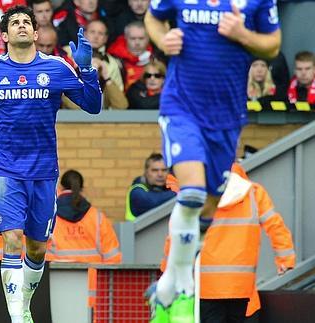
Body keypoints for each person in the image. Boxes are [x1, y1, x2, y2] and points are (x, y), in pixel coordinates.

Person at [0, 6, 101, 322]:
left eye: (26, 23)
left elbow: (93, 106)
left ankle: (25, 305)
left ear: (36, 33)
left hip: (44, 171)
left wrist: (87, 69)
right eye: (14, 23)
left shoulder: (57, 68)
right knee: (12, 238)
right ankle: (17, 316)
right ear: (4, 36)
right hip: (5, 168)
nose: (21, 26)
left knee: (36, 248)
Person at [144, 0, 282, 319]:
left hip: (226, 117)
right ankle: (176, 280)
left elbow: (273, 45)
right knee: (191, 192)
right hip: (182, 108)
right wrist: (163, 39)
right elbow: (153, 17)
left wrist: (243, 34)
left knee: (208, 205)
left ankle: (175, 274)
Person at [160, 164, 296, 323]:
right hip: (241, 285)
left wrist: (166, 271)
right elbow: (275, 225)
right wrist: (285, 259)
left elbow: (177, 237)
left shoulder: (196, 197)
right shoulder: (254, 193)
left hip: (207, 286)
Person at [46, 170, 122, 264]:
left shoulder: (48, 215)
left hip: (55, 276)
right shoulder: (97, 218)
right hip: (91, 277)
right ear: (82, 189)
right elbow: (113, 258)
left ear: (60, 188)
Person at [125, 153, 175, 222]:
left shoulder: (168, 190)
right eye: (155, 170)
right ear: (146, 172)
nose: (160, 174)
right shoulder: (137, 191)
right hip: (137, 232)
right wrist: (182, 191)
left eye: (164, 170)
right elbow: (153, 201)